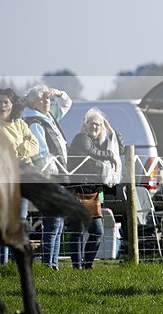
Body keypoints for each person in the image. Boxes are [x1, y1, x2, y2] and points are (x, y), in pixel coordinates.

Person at [22, 84, 73, 270]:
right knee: (53, 223)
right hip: (50, 176)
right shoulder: (35, 121)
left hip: (58, 175)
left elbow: (67, 103)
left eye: (48, 98)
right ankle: (48, 265)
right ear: (33, 102)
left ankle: (53, 264)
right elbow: (41, 154)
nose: (47, 101)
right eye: (43, 98)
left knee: (58, 224)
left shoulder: (48, 116)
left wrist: (58, 92)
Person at [67, 108, 123, 269]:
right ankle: (77, 267)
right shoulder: (81, 138)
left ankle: (87, 265)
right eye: (92, 123)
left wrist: (111, 130)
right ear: (85, 125)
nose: (95, 127)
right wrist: (109, 156)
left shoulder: (100, 142)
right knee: (77, 231)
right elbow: (90, 151)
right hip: (78, 191)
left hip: (93, 193)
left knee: (97, 232)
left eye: (98, 125)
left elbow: (119, 146)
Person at [0, 88, 39, 265]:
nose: (2, 106)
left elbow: (34, 144)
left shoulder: (20, 124)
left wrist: (21, 149)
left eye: (6, 102)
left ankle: (16, 263)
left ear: (13, 105)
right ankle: (1, 263)